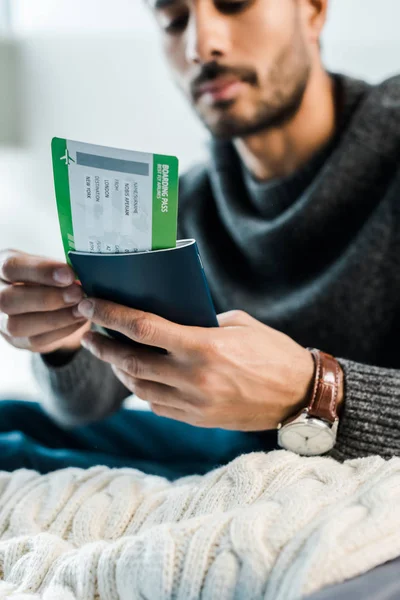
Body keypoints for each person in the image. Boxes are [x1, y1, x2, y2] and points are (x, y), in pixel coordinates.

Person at [0, 0, 399, 477]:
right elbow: (92, 402)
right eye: (174, 20)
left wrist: (314, 390)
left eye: (233, 5)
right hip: (236, 451)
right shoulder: (187, 203)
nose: (199, 45)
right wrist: (62, 340)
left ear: (312, 10)